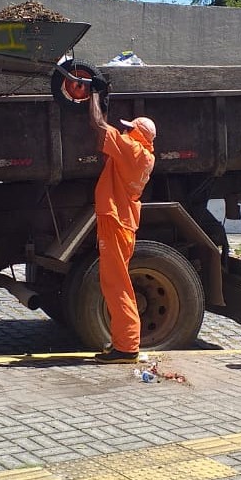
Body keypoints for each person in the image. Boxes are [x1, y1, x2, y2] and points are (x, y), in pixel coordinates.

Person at [88, 89, 156, 363]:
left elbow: (98, 125)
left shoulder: (133, 150)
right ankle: (123, 342)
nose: (125, 131)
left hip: (116, 221)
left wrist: (93, 94)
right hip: (122, 221)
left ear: (138, 135)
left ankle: (127, 347)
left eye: (130, 129)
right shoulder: (143, 155)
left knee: (117, 285)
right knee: (116, 283)